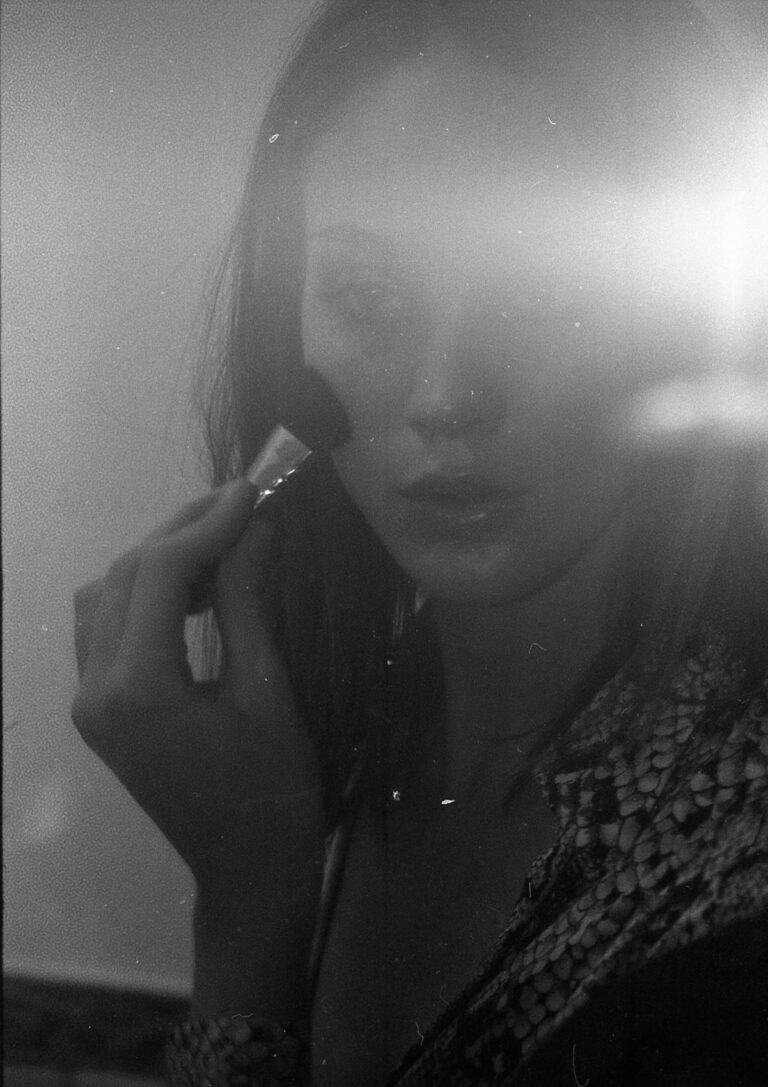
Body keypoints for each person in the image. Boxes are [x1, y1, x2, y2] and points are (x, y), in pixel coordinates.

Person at [72, 1, 768, 1083]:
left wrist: (246, 916)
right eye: (367, 293)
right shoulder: (361, 720)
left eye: (548, 292)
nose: (447, 395)